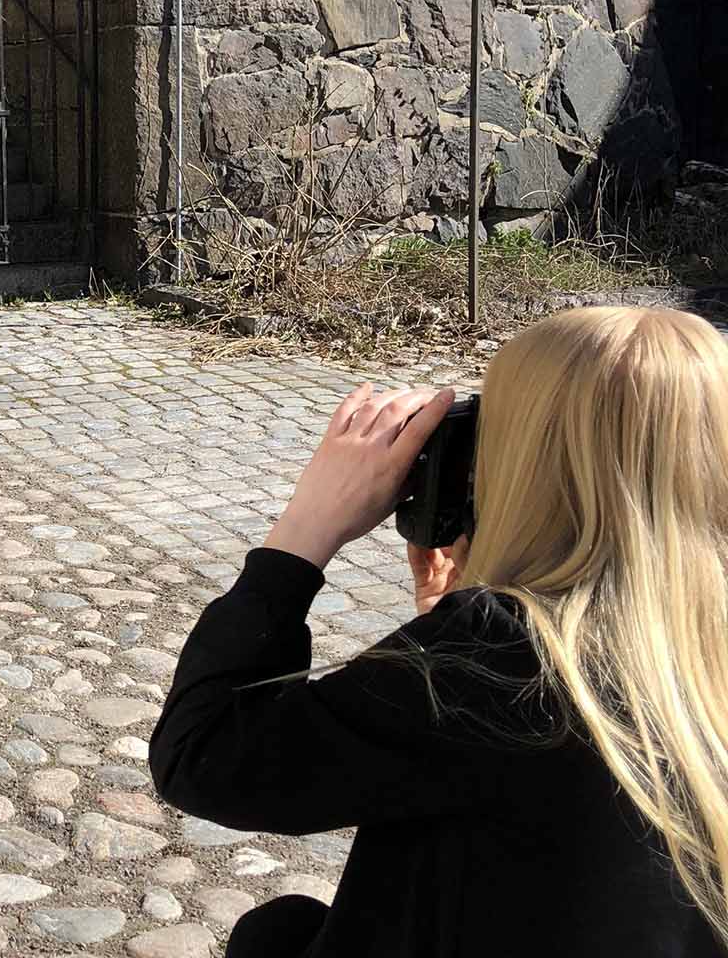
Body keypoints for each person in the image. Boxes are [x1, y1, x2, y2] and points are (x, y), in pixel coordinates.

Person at [149, 306, 728, 957]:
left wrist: (303, 532)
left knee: (273, 935)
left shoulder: (502, 659)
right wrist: (439, 633)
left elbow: (205, 759)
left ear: (514, 460)